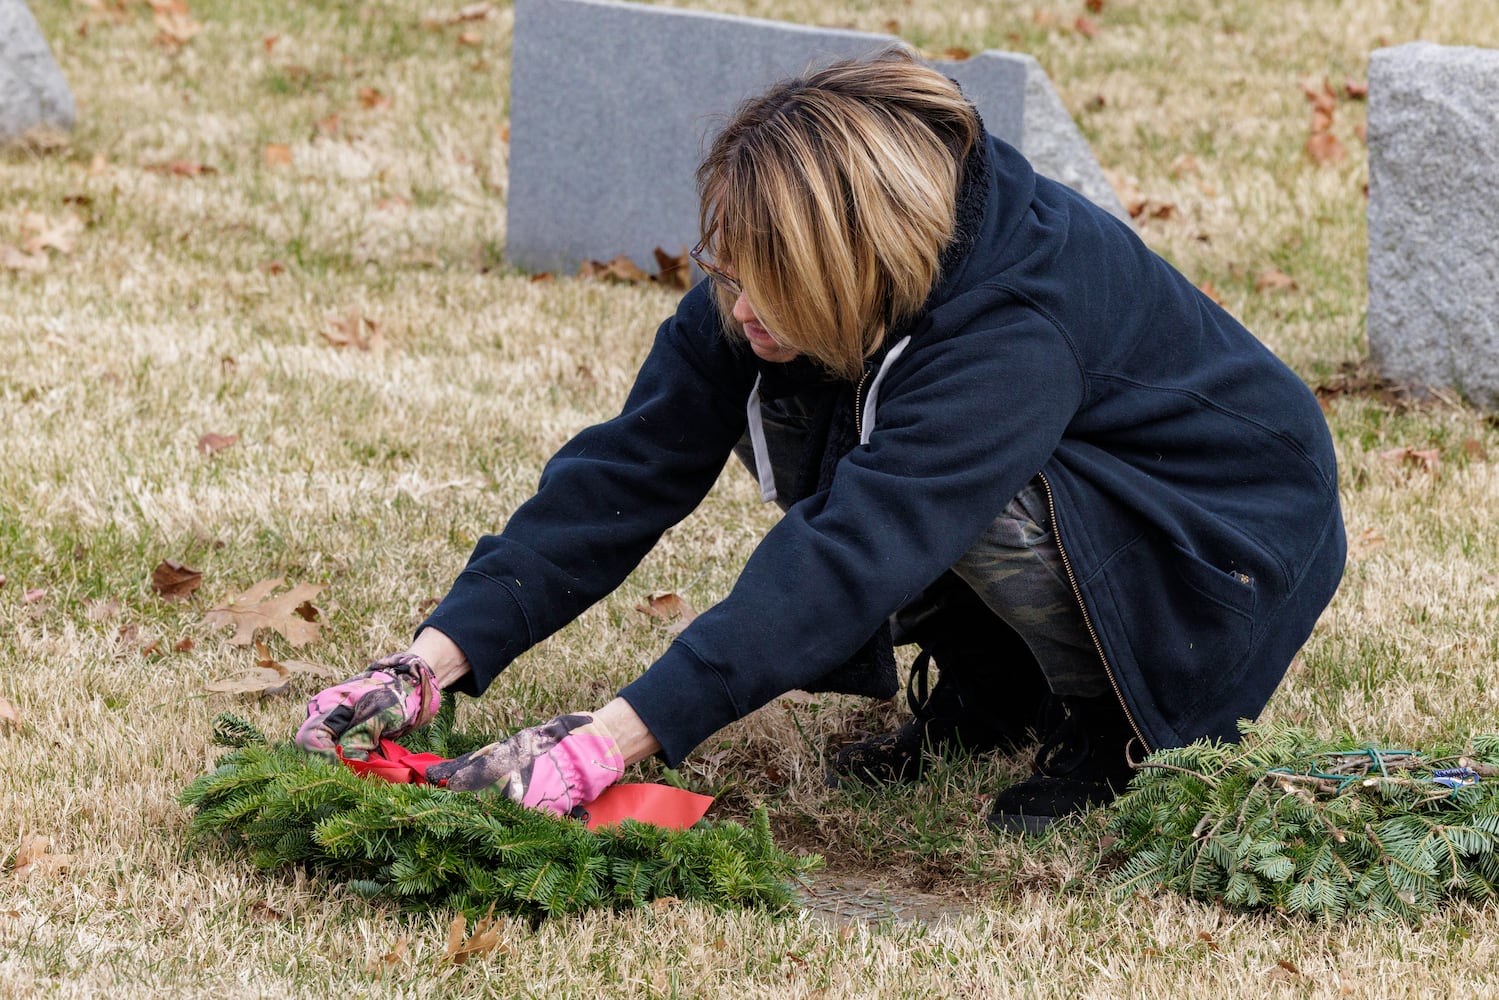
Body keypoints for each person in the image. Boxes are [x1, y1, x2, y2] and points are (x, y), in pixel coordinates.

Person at [295, 48, 1346, 834]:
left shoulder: (1009, 333)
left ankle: (1108, 724)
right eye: (729, 270)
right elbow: (623, 473)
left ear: (853, 262)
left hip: (1212, 539)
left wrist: (607, 743)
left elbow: (851, 551)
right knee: (808, 410)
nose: (739, 305)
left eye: (769, 283)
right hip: (1065, 484)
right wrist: (425, 665)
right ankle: (995, 692)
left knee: (941, 492)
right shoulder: (796, 277)